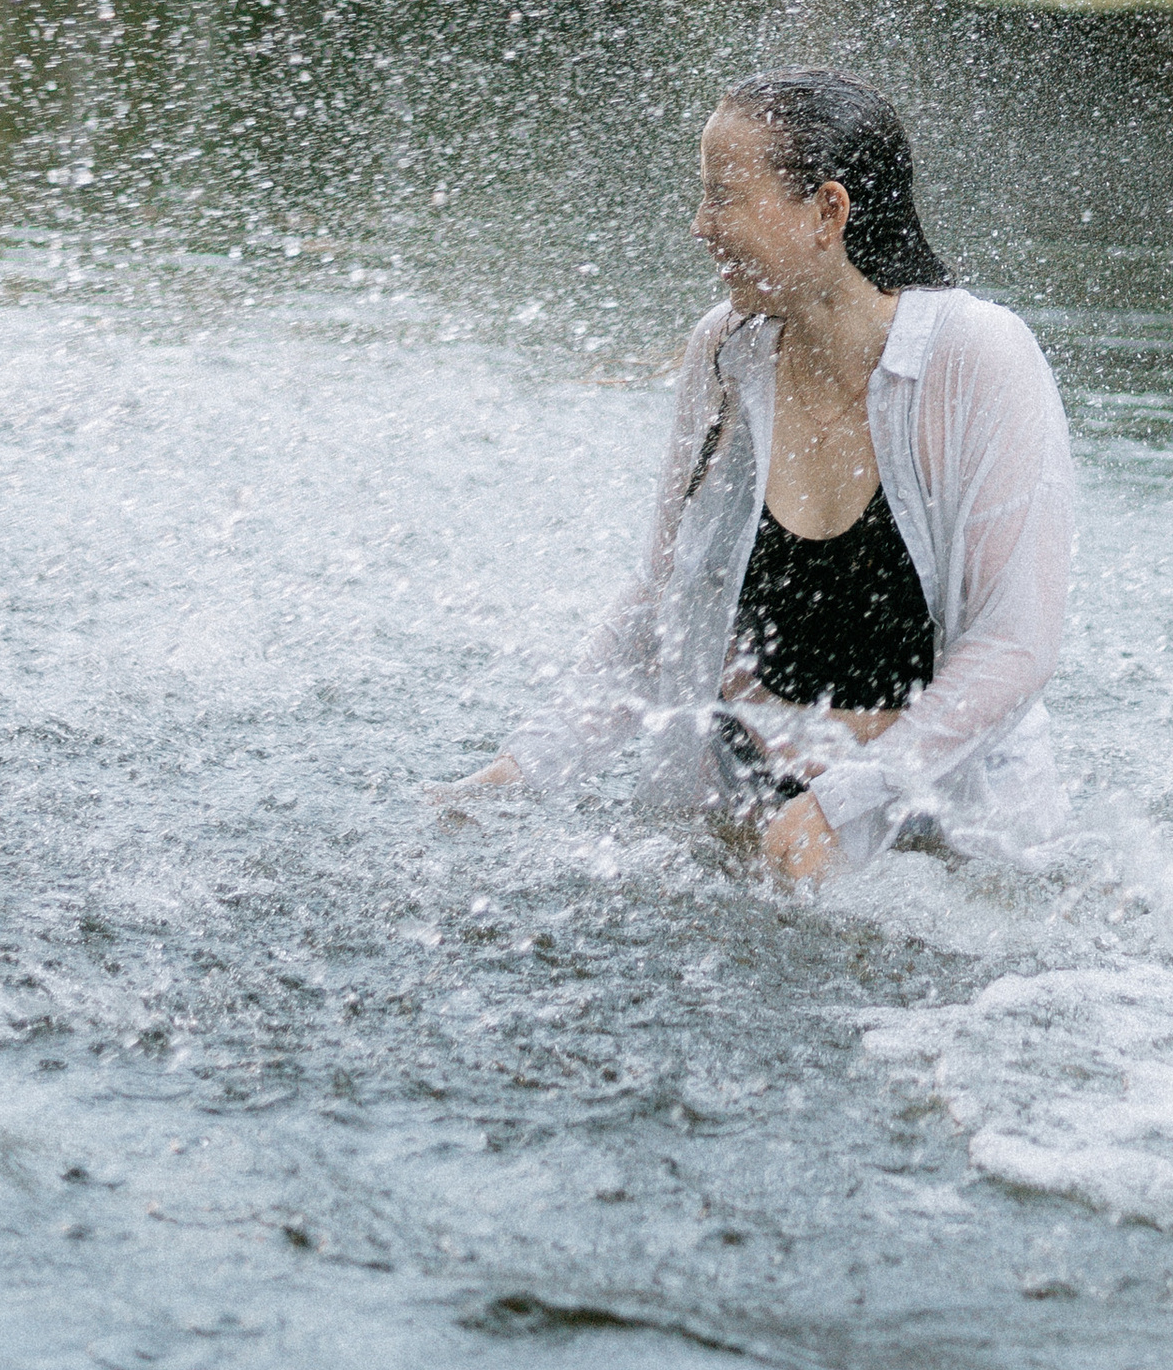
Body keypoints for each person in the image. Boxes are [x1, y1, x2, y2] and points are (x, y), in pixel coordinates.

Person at [449, 71, 1073, 882]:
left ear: (828, 212)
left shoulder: (978, 357)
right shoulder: (724, 351)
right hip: (742, 821)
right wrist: (519, 773)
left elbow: (1013, 646)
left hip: (940, 848)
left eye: (724, 197)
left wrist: (844, 803)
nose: (701, 227)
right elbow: (660, 604)